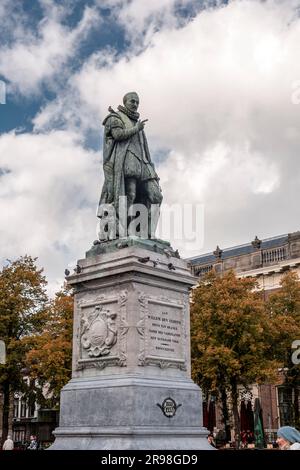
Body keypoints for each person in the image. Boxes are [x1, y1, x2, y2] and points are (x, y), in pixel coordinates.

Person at [98, 92, 163, 239]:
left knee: (155, 196)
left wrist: (151, 167)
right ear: (125, 102)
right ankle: (126, 231)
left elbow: (144, 147)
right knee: (130, 195)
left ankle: (147, 234)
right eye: (132, 101)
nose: (135, 104)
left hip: (143, 163)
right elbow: (118, 135)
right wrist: (137, 129)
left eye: (137, 102)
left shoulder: (137, 122)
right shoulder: (115, 117)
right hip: (126, 161)